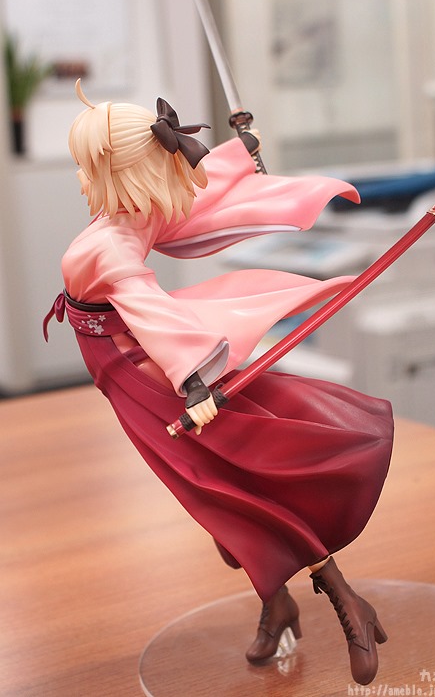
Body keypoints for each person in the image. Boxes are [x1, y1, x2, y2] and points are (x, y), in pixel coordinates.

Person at [45, 80, 393, 685]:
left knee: (227, 489)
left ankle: (346, 601)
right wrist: (240, 157)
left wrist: (193, 381)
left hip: (140, 374)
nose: (80, 178)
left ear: (119, 170)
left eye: (89, 166)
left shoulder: (114, 243)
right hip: (128, 368)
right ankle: (277, 604)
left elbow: (151, 312)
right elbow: (191, 191)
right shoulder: (127, 215)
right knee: (218, 493)